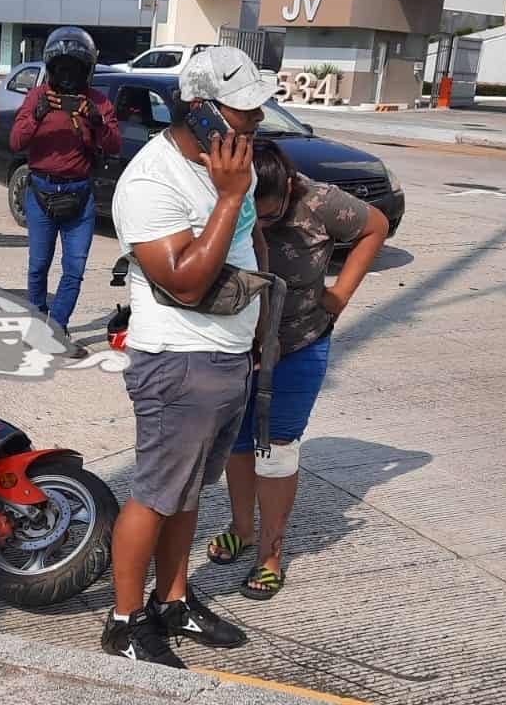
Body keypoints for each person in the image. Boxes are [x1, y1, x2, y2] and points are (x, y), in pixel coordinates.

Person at [101, 46, 280, 668]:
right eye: (244, 111)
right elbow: (183, 283)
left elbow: (252, 235)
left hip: (229, 355)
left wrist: (260, 321)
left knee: (187, 494)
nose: (256, 122)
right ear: (201, 112)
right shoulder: (151, 182)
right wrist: (228, 197)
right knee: (154, 494)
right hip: (178, 361)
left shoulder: (235, 165)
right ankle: (125, 623)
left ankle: (173, 600)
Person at [204, 141, 390, 601]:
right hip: (238, 342)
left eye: (269, 216)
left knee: (279, 450)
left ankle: (270, 554)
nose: (260, 226)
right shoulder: (228, 197)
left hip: (300, 342)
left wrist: (341, 294)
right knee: (239, 440)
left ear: (287, 188)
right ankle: (242, 528)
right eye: (255, 217)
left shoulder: (318, 200)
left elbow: (376, 226)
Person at [9, 26, 120, 358]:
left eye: (75, 68)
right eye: (62, 68)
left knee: (75, 267)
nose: (68, 76)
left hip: (79, 195)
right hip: (41, 192)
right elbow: (16, 141)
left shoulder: (97, 101)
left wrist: (95, 121)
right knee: (38, 265)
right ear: (52, 68)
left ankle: (56, 330)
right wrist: (39, 114)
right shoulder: (36, 97)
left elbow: (113, 144)